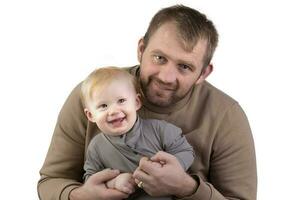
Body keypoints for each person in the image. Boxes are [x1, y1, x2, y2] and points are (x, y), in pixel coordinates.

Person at [38, 4, 257, 200]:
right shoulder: (94, 95)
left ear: (203, 73)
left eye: (184, 67)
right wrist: (79, 196)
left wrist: (186, 188)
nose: (166, 77)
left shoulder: (226, 116)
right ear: (141, 49)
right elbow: (51, 181)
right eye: (159, 58)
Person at [81, 67, 194, 200]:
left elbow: (186, 151)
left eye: (121, 101)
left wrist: (169, 171)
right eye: (103, 106)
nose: (113, 111)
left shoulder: (160, 130)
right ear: (91, 115)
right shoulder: (96, 147)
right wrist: (114, 182)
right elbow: (90, 181)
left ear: (136, 102)